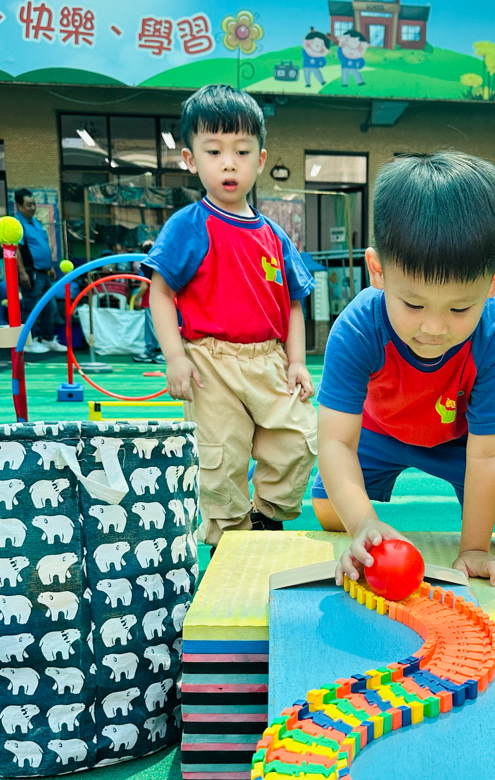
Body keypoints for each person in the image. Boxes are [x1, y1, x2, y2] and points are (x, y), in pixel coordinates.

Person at [312, 151, 495, 735]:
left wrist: (475, 547)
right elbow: (335, 444)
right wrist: (362, 524)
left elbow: (489, 452)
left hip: (472, 436)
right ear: (377, 270)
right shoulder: (357, 326)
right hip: (383, 429)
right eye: (413, 304)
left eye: (460, 307)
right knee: (331, 508)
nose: (434, 327)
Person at [143, 84, 317, 548]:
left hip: (268, 359)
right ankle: (229, 535)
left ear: (260, 160)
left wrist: (297, 362)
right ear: (190, 159)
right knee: (221, 454)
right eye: (214, 151)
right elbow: (161, 293)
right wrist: (176, 358)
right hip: (210, 363)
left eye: (242, 151)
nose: (228, 163)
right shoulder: (188, 225)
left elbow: (294, 302)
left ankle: (266, 514)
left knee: (299, 437)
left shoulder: (274, 235)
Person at [14, 188, 67, 354]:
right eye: (28, 205)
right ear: (19, 206)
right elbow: (16, 250)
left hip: (44, 273)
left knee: (50, 307)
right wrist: (22, 273)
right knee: (30, 307)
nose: (32, 208)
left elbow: (43, 246)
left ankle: (48, 339)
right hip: (31, 272)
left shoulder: (36, 222)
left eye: (34, 204)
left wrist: (50, 266)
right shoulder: (17, 224)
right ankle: (26, 342)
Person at [132, 240, 165, 364]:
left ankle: (158, 351)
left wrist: (136, 299)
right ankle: (152, 350)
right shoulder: (162, 261)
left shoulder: (146, 263)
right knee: (158, 325)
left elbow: (144, 286)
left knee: (152, 326)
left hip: (150, 300)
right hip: (162, 299)